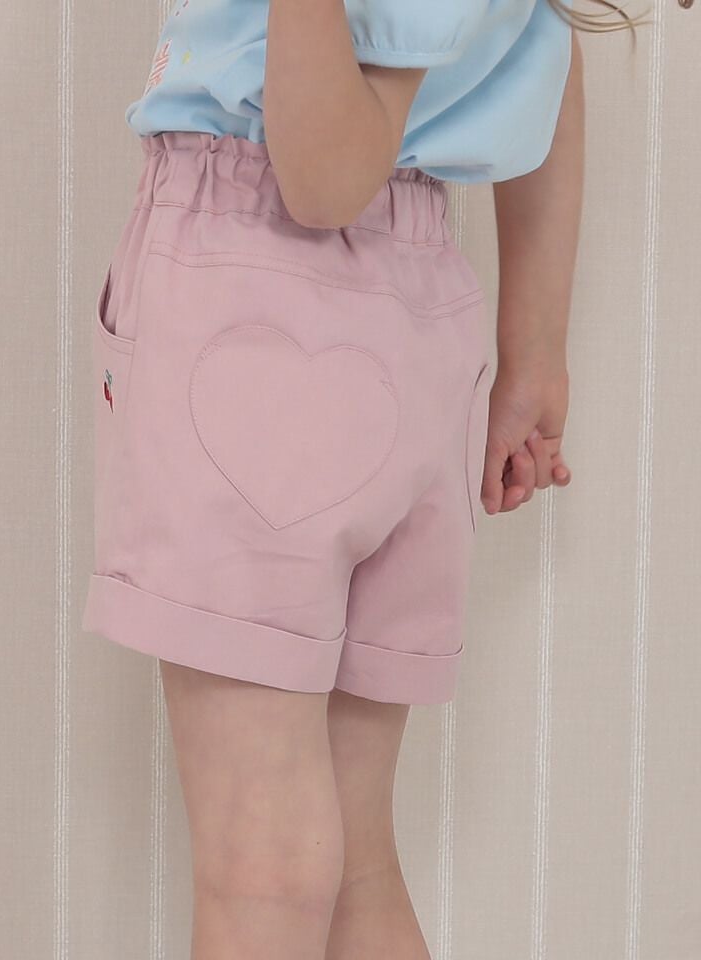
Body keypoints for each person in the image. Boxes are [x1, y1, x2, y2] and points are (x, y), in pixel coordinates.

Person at [81, 2, 651, 957]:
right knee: (356, 867)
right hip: (419, 321)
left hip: (256, 296)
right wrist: (534, 351)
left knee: (260, 867)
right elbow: (551, 75)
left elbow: (322, 182)